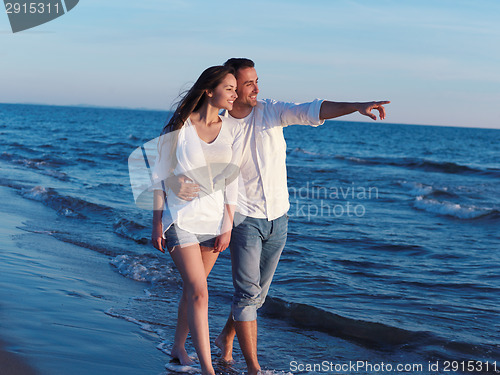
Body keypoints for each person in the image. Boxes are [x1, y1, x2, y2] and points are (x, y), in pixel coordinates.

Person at [210, 58, 390, 375]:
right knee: (246, 294)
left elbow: (313, 109)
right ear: (232, 87)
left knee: (257, 297)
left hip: (279, 218)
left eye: (256, 80)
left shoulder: (271, 110)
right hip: (244, 219)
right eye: (248, 83)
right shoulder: (221, 127)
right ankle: (253, 367)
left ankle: (226, 335)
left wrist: (357, 106)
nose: (256, 88)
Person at [150, 65, 243, 375]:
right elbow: (158, 176)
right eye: (229, 88)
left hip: (214, 223)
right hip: (181, 222)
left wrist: (227, 226)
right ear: (209, 90)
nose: (234, 93)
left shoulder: (231, 130)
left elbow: (232, 182)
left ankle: (178, 347)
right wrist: (156, 222)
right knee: (200, 292)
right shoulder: (179, 126)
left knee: (192, 291)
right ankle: (207, 369)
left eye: (235, 88)